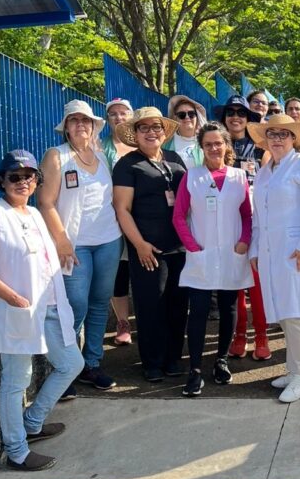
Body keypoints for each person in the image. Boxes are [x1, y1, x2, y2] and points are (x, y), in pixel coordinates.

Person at [0, 150, 84, 471]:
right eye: (14, 177)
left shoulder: (33, 214)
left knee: (72, 362)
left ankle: (32, 422)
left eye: (29, 176)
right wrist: (12, 297)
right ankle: (16, 451)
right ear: (1, 181)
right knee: (18, 380)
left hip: (48, 307)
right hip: (15, 310)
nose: (23, 182)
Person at [38, 100, 123, 397]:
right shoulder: (56, 156)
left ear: (94, 125)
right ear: (66, 127)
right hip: (74, 245)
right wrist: (61, 240)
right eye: (74, 121)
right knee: (75, 305)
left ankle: (91, 364)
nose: (81, 125)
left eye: (85, 120)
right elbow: (45, 202)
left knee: (100, 303)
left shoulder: (101, 155)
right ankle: (66, 367)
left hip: (109, 240)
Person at [248, 113, 300, 402]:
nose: (278, 139)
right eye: (273, 134)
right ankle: (294, 368)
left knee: (298, 312)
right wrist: (255, 249)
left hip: (298, 250)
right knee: (284, 312)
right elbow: (258, 215)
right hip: (272, 250)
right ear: (265, 139)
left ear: (294, 138)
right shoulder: (264, 172)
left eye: (284, 134)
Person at [173, 122, 253, 395]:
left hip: (232, 253)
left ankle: (221, 360)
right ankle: (195, 369)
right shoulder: (191, 177)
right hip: (202, 255)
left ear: (226, 145)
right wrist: (193, 247)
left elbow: (247, 214)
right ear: (202, 147)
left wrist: (244, 240)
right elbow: (179, 216)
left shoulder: (238, 177)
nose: (214, 148)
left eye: (218, 143)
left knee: (230, 307)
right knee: (198, 311)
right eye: (208, 144)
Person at [112, 107, 189, 382]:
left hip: (179, 246)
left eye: (156, 127)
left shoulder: (174, 158)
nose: (151, 132)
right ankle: (152, 362)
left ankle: (172, 358)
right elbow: (122, 209)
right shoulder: (128, 164)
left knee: (177, 305)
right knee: (150, 305)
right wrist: (140, 244)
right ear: (135, 133)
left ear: (163, 131)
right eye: (144, 128)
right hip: (147, 248)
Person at [215, 94, 272, 360]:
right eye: (231, 112)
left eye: (241, 113)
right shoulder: (217, 149)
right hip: (227, 225)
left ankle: (261, 336)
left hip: (256, 222)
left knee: (257, 284)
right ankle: (240, 335)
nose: (236, 117)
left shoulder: (261, 148)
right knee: (234, 285)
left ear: (249, 118)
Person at [102, 98, 136, 346]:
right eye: (113, 114)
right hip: (113, 217)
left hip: (144, 216)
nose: (118, 118)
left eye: (123, 113)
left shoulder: (144, 142)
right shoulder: (101, 148)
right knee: (120, 270)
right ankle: (123, 321)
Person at [164, 95, 208, 169]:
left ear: (197, 117)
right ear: (175, 118)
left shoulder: (206, 141)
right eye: (182, 115)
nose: (187, 117)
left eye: (191, 114)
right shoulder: (165, 142)